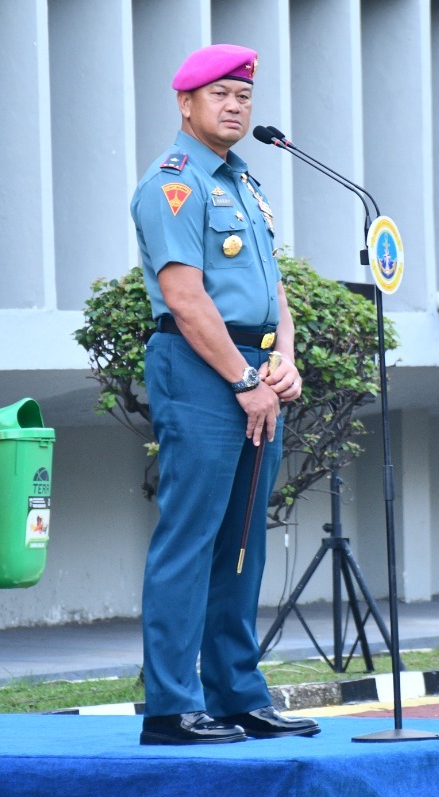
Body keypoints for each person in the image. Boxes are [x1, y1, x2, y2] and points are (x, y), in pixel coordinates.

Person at [129, 43, 316, 745]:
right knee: (192, 538)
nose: (236, 105)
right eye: (220, 95)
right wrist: (242, 379)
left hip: (255, 370)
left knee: (243, 542)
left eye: (244, 95)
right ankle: (172, 706)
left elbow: (275, 290)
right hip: (204, 369)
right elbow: (184, 297)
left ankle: (237, 694)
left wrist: (285, 362)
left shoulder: (246, 183)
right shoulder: (173, 184)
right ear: (186, 103)